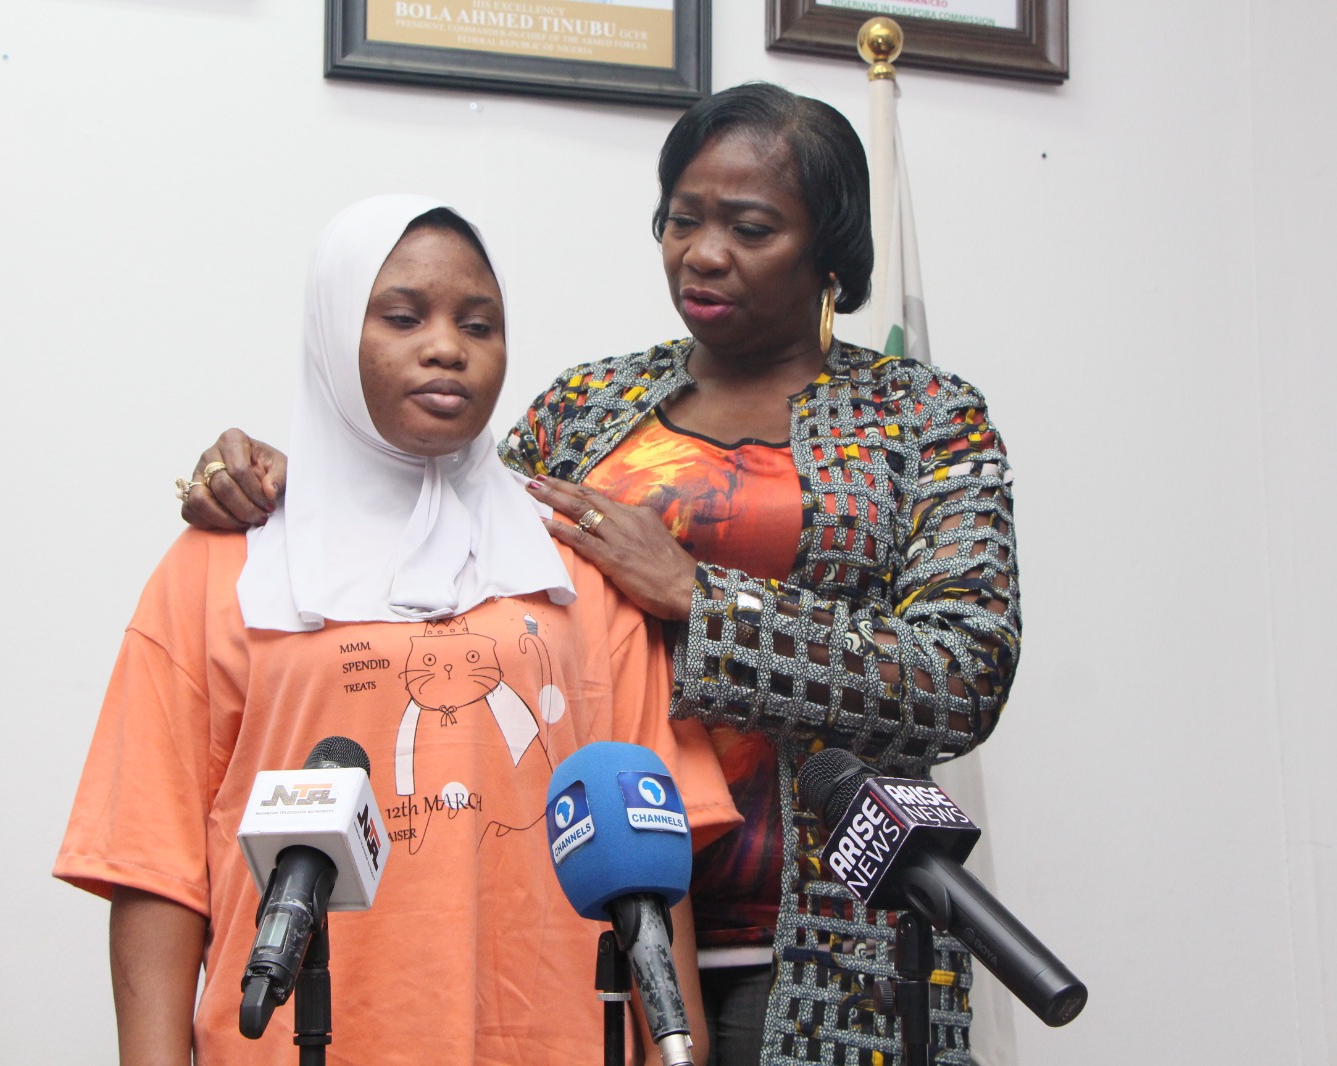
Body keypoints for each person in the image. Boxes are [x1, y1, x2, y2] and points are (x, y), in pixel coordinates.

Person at [181, 83, 1020, 1066]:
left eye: (749, 228)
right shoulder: (586, 405)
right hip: (583, 924)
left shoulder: (925, 417)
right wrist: (310, 480)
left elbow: (962, 674)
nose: (703, 253)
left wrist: (701, 600)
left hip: (823, 944)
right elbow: (444, 533)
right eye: (682, 219)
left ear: (830, 249)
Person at [55, 195, 740, 1066]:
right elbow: (154, 864)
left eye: (479, 324)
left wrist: (684, 1051)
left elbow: (652, 849)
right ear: (334, 334)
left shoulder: (579, 567)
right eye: (403, 317)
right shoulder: (223, 565)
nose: (447, 346)